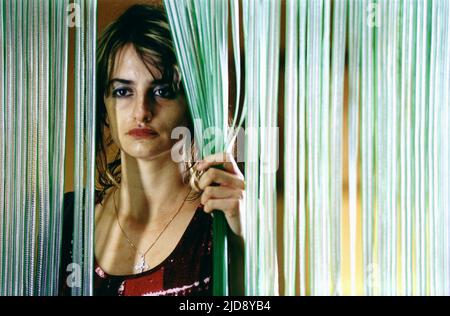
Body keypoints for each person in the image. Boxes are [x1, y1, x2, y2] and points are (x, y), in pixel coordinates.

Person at [60, 4, 245, 296]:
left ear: (193, 106)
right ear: (105, 108)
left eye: (162, 91)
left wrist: (241, 242)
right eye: (123, 91)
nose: (142, 111)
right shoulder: (68, 220)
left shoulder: (222, 222)